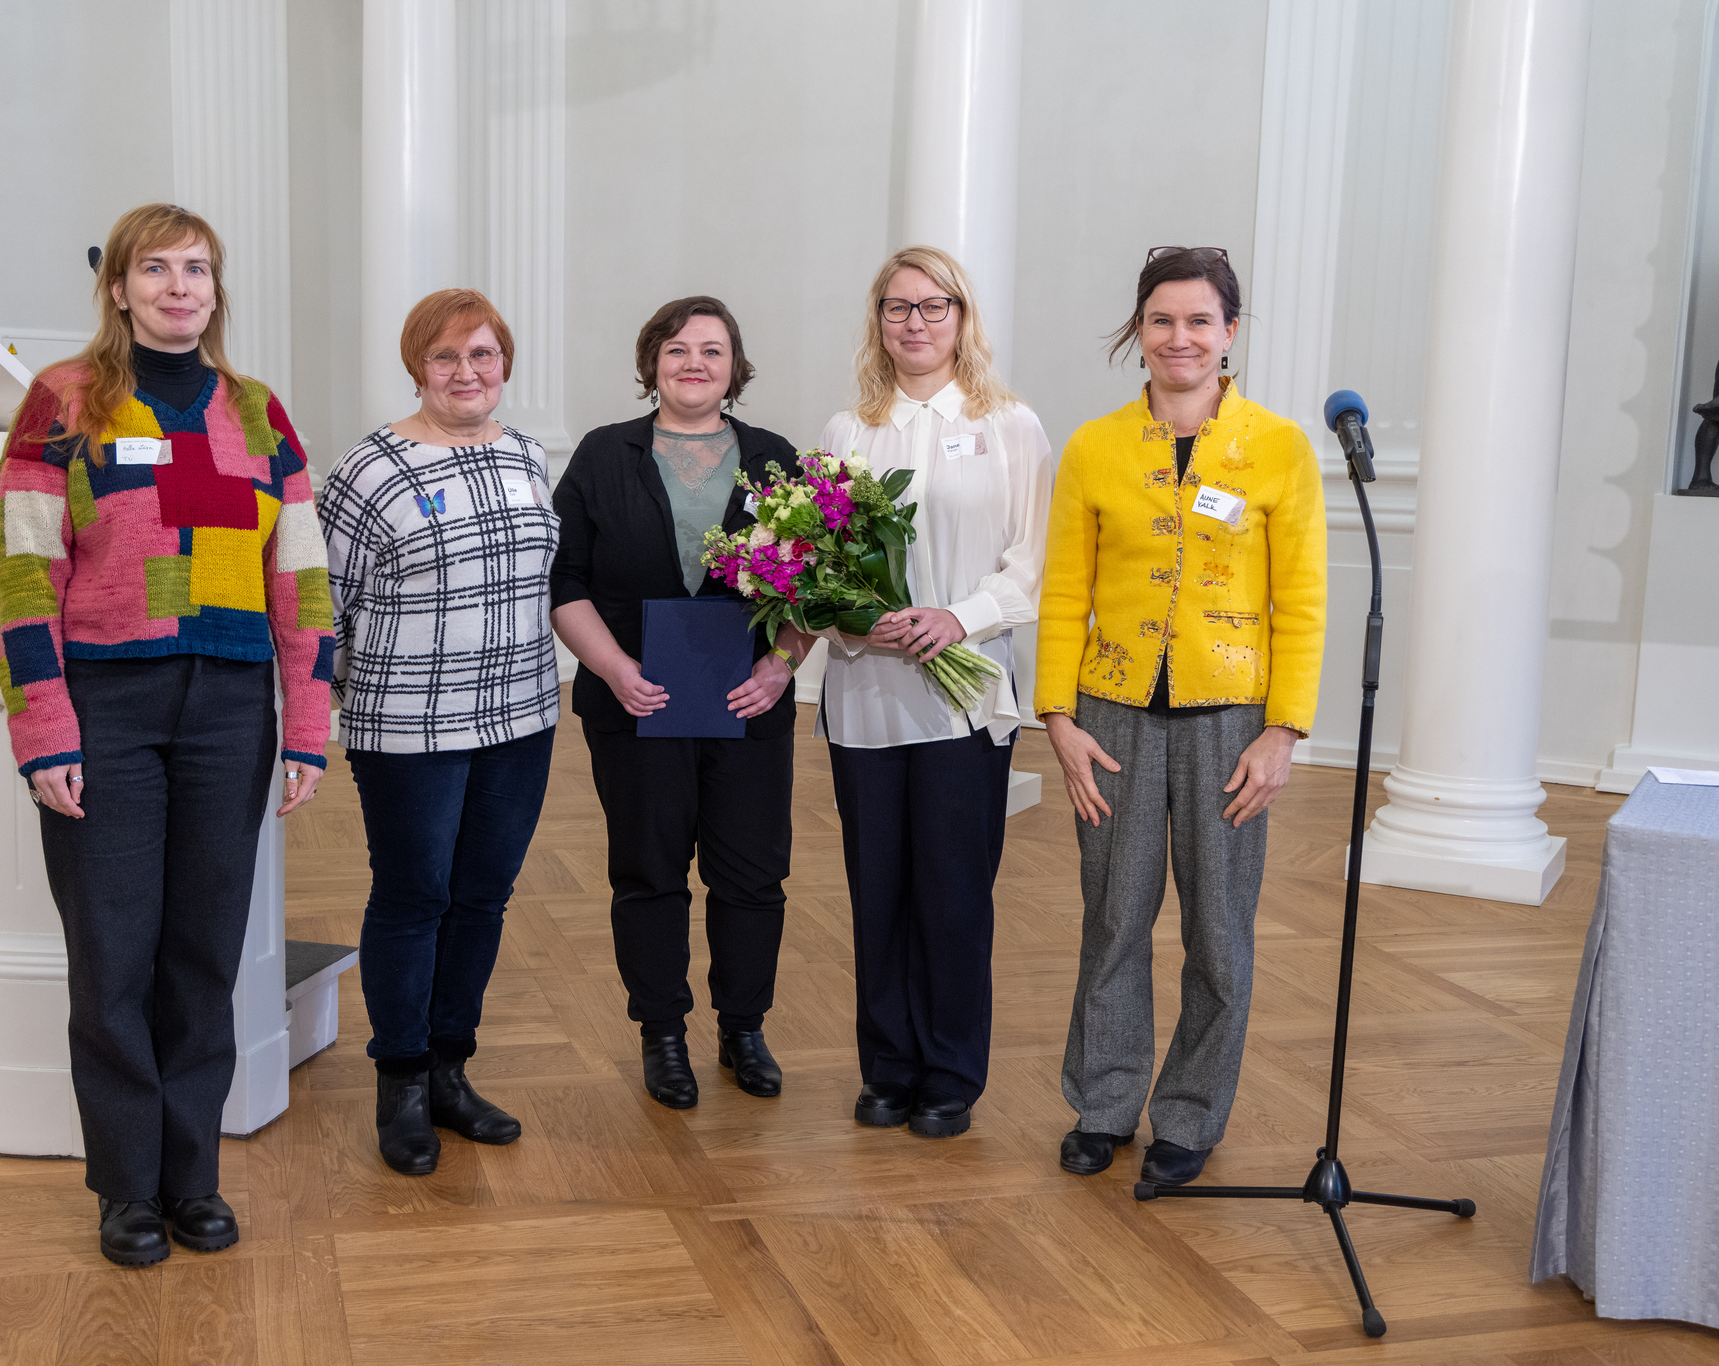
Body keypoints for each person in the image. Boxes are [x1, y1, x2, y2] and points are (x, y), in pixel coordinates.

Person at [0, 202, 334, 1266]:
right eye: (158, 268)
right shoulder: (63, 402)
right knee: (112, 949)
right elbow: (22, 573)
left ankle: (193, 1177)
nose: (180, 286)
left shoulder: (260, 412)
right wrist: (43, 725)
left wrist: (306, 726)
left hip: (231, 710)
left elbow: (303, 581)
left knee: (203, 949)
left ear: (215, 290)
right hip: (108, 707)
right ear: (119, 287)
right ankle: (126, 1186)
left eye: (198, 269)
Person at [1039, 246, 1326, 1187]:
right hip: (1110, 714)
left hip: (1233, 721)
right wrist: (1057, 716)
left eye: (1200, 320)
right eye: (1161, 320)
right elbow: (1063, 591)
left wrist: (1284, 731)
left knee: (1219, 927)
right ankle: (1107, 1101)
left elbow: (1306, 601)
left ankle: (1192, 1114)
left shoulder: (1280, 448)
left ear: (1230, 332)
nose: (1180, 338)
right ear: (1139, 331)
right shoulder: (1094, 445)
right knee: (1114, 917)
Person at [317, 289, 561, 1176]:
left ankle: (453, 1068)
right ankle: (402, 1083)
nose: (467, 374)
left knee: (482, 896)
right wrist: (324, 706)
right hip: (407, 722)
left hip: (521, 716)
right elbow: (323, 608)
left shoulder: (529, 457)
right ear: (418, 366)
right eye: (448, 358)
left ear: (505, 365)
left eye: (484, 356)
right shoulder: (367, 470)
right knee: (415, 895)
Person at [550, 296, 812, 1110]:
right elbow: (565, 579)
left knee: (751, 873)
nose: (693, 362)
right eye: (676, 348)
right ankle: (662, 1034)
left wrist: (778, 667)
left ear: (735, 367)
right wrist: (616, 669)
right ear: (650, 363)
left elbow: (815, 582)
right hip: (634, 704)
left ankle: (744, 1029)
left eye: (711, 349)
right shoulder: (603, 454)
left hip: (749, 704)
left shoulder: (775, 458)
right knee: (649, 871)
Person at [816, 246, 1053, 1138]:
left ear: (963, 317)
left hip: (963, 697)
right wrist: (849, 617)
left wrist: (959, 618)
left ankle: (951, 1071)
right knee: (876, 888)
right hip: (867, 693)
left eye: (933, 305)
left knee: (953, 893)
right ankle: (887, 1066)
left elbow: (1033, 563)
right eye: (896, 307)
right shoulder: (848, 430)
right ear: (877, 321)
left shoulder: (1009, 425)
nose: (914, 322)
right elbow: (819, 562)